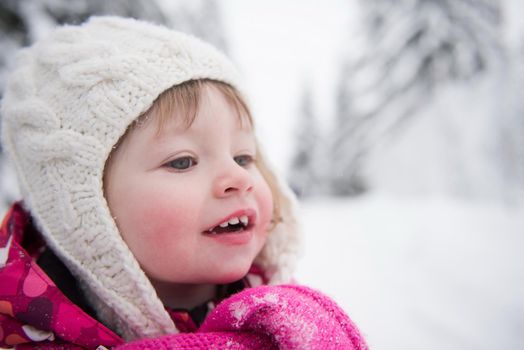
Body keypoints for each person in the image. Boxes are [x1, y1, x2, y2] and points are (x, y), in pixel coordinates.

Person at [0, 16, 367, 349]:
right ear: (86, 217)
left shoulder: (280, 317)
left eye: (244, 157)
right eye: (182, 162)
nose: (238, 177)